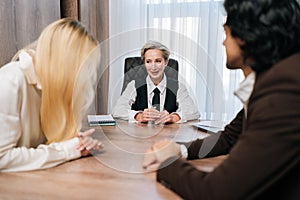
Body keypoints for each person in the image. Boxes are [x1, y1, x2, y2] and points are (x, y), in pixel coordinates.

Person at [142, 0, 300, 199]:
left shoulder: (285, 89)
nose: (223, 42)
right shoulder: (276, 78)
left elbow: (217, 192)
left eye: (226, 33)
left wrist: (168, 162)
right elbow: (230, 137)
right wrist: (180, 149)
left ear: (245, 36)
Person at [0, 18, 103, 172]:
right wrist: (67, 150)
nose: (84, 76)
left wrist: (78, 144)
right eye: (82, 66)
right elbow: (3, 158)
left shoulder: (53, 87)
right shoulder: (10, 81)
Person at [112, 40, 200, 124]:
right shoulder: (134, 85)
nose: (153, 67)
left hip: (168, 136)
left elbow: (194, 112)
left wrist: (174, 117)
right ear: (144, 63)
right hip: (140, 135)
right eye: (148, 61)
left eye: (158, 61)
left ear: (166, 62)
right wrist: (138, 116)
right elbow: (117, 111)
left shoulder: (178, 86)